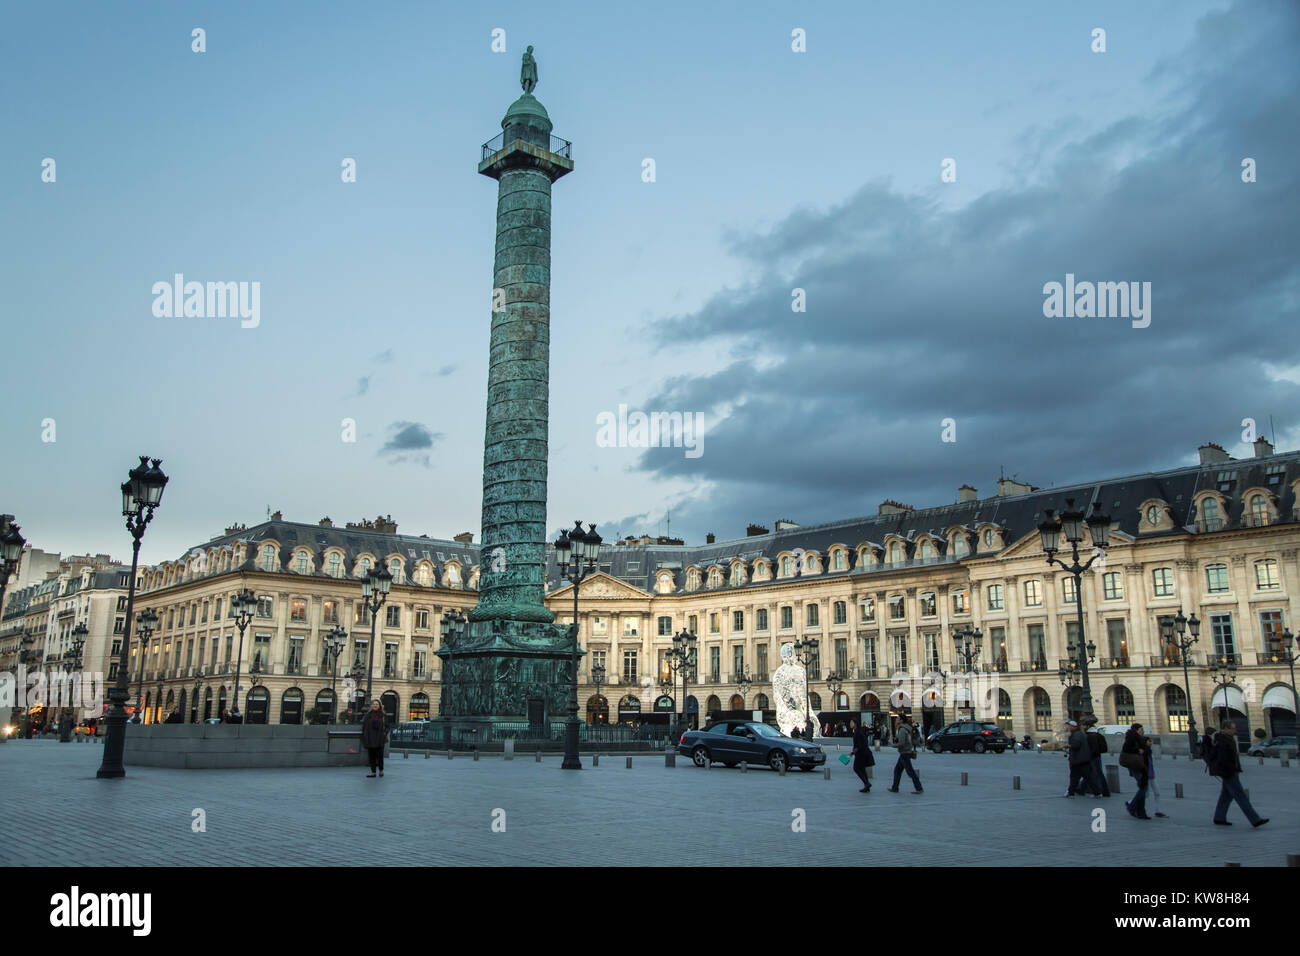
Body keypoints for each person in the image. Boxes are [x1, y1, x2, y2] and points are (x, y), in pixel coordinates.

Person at [1208, 721, 1267, 828]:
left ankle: (1219, 817)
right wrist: (1229, 770)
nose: (1235, 730)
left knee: (1226, 796)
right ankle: (1255, 820)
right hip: (1229, 772)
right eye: (1232, 728)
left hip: (1231, 770)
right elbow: (1223, 758)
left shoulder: (1228, 738)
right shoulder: (1222, 740)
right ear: (1225, 729)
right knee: (1240, 796)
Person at [1122, 723, 1152, 819]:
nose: (1142, 731)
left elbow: (1146, 751)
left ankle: (1141, 812)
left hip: (1142, 766)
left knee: (1143, 787)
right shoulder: (1131, 738)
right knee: (1143, 788)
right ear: (1136, 730)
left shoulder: (1140, 738)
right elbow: (1126, 749)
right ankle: (1132, 806)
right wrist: (1138, 750)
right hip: (1136, 766)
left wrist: (1147, 746)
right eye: (1140, 729)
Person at [888, 715, 923, 793]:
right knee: (897, 770)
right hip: (905, 752)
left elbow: (902, 743)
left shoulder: (902, 730)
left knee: (910, 772)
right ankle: (895, 788)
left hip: (904, 753)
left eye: (897, 719)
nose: (896, 720)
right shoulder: (906, 728)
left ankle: (919, 788)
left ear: (901, 720)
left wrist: (893, 745)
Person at [1065, 720, 1096, 796]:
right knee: (1084, 777)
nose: (1068, 727)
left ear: (1074, 727)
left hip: (1079, 759)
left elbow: (1076, 745)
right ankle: (1071, 792)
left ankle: (1071, 792)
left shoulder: (1077, 734)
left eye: (1070, 726)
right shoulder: (1078, 734)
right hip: (1081, 759)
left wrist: (1068, 746)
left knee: (1076, 777)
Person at [1082, 716, 1111, 796]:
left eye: (1084, 725)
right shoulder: (1096, 734)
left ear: (1088, 726)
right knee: (1091, 773)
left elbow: (1093, 748)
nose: (1083, 727)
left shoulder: (1091, 735)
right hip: (1096, 756)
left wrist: (1088, 756)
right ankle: (1081, 789)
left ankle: (1105, 791)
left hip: (1093, 757)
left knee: (1096, 773)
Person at [361, 699, 387, 778]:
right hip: (370, 737)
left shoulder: (383, 715)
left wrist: (384, 734)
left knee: (380, 755)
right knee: (371, 755)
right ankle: (373, 772)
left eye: (377, 704)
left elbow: (387, 726)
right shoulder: (368, 715)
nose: (375, 706)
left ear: (379, 706)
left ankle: (381, 770)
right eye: (374, 704)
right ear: (371, 706)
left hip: (379, 738)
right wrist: (365, 736)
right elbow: (364, 726)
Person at [850, 719, 875, 793]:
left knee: (856, 768)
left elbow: (861, 743)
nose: (850, 724)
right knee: (862, 769)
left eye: (851, 722)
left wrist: (855, 750)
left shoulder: (858, 732)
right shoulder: (857, 731)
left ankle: (867, 783)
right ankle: (866, 786)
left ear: (855, 723)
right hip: (862, 753)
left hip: (861, 754)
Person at [1147, 745, 1166, 818]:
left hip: (1152, 775)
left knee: (1157, 792)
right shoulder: (1143, 753)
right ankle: (1131, 803)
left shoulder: (1149, 753)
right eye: (1149, 741)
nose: (1150, 742)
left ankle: (1157, 811)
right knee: (1145, 794)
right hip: (1146, 776)